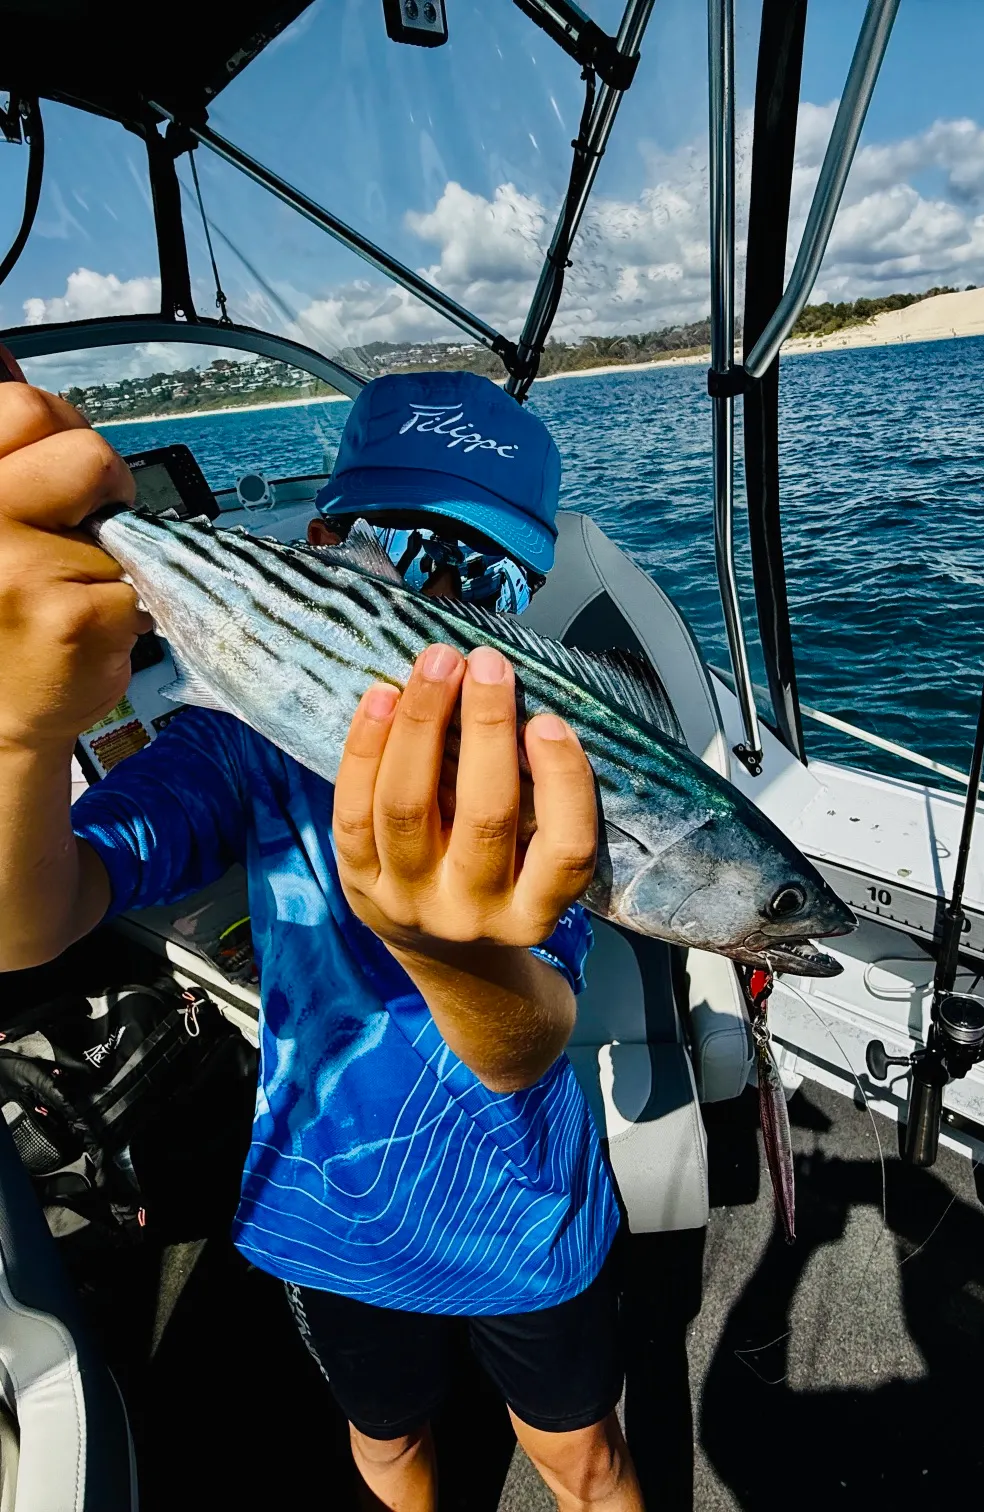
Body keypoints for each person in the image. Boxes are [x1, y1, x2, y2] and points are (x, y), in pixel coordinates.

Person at [0, 371, 641, 1512]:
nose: (440, 608)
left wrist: (441, 945)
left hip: (526, 1208)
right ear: (324, 544)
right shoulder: (236, 740)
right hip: (325, 1205)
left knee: (583, 1461)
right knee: (389, 1448)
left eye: (483, 577)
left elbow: (525, 1039)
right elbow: (34, 917)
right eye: (403, 548)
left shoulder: (550, 766)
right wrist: (17, 741)